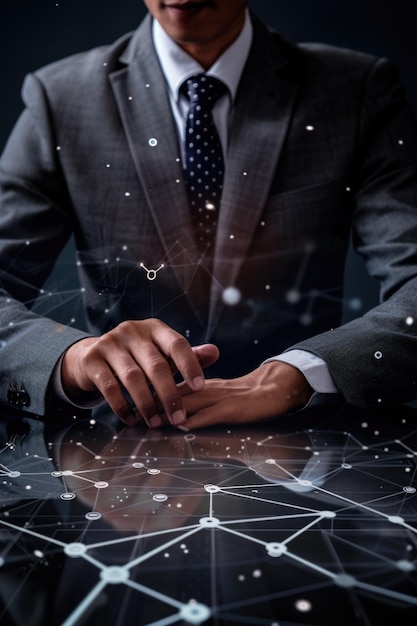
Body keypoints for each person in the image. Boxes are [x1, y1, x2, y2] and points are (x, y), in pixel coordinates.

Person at [0, 0, 417, 430]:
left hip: (306, 455)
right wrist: (73, 359)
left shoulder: (355, 91)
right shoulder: (61, 98)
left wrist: (300, 374)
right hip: (123, 460)